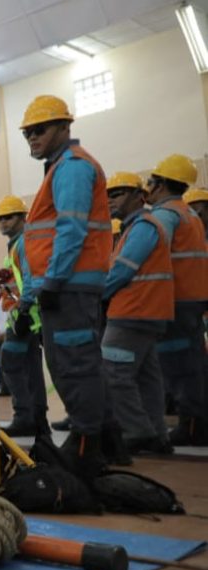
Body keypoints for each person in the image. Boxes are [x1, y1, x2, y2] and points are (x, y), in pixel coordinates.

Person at [17, 95, 111, 478]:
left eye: (39, 130)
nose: (32, 138)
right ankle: (105, 439)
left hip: (69, 284)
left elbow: (70, 228)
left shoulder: (71, 168)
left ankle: (87, 445)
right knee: (78, 362)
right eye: (27, 133)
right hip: (69, 283)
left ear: (63, 128)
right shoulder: (61, 168)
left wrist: (53, 280)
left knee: (73, 365)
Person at [101, 172, 174, 457]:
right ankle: (157, 434)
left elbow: (123, 270)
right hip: (146, 312)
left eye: (117, 194)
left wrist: (98, 295)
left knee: (114, 373)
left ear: (138, 196)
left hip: (134, 311)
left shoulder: (143, 226)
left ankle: (136, 431)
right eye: (108, 195)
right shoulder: (135, 227)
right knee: (146, 375)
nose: (110, 201)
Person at [145, 155, 208, 446]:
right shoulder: (189, 215)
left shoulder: (164, 216)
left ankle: (192, 425)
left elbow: (151, 252)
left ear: (159, 184)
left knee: (179, 364)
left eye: (150, 182)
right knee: (193, 361)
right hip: (193, 298)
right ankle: (195, 421)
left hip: (176, 300)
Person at [0, 195, 48, 437]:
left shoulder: (25, 242)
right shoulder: (17, 244)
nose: (3, 222)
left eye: (9, 217)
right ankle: (37, 418)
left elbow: (30, 277)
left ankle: (24, 416)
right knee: (31, 366)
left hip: (27, 315)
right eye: (0, 219)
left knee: (9, 362)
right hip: (27, 315)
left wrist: (24, 308)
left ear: (23, 217)